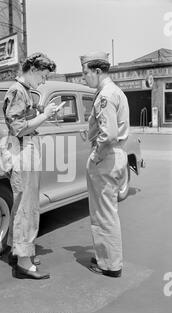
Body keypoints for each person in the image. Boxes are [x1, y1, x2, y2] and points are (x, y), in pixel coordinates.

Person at [1, 52, 57, 279]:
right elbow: (19, 128)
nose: (43, 81)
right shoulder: (18, 91)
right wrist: (46, 116)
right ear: (33, 70)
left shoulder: (23, 91)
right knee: (27, 208)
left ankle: (18, 251)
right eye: (43, 76)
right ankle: (24, 263)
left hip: (23, 152)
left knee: (21, 205)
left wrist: (41, 113)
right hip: (23, 153)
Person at [80, 51, 130, 278]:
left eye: (85, 72)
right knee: (106, 212)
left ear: (97, 71)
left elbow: (108, 135)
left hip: (106, 157)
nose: (83, 78)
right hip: (116, 155)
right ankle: (107, 258)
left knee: (104, 214)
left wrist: (96, 154)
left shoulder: (105, 96)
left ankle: (110, 265)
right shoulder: (115, 91)